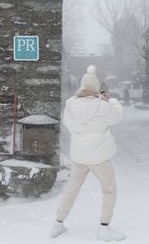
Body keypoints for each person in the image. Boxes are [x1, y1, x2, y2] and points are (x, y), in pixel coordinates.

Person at [51, 65, 126, 241]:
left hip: (79, 155)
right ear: (96, 87)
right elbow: (116, 116)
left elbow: (70, 125)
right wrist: (111, 100)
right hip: (99, 155)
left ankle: (58, 223)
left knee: (72, 188)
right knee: (109, 189)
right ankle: (104, 227)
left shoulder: (70, 104)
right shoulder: (102, 105)